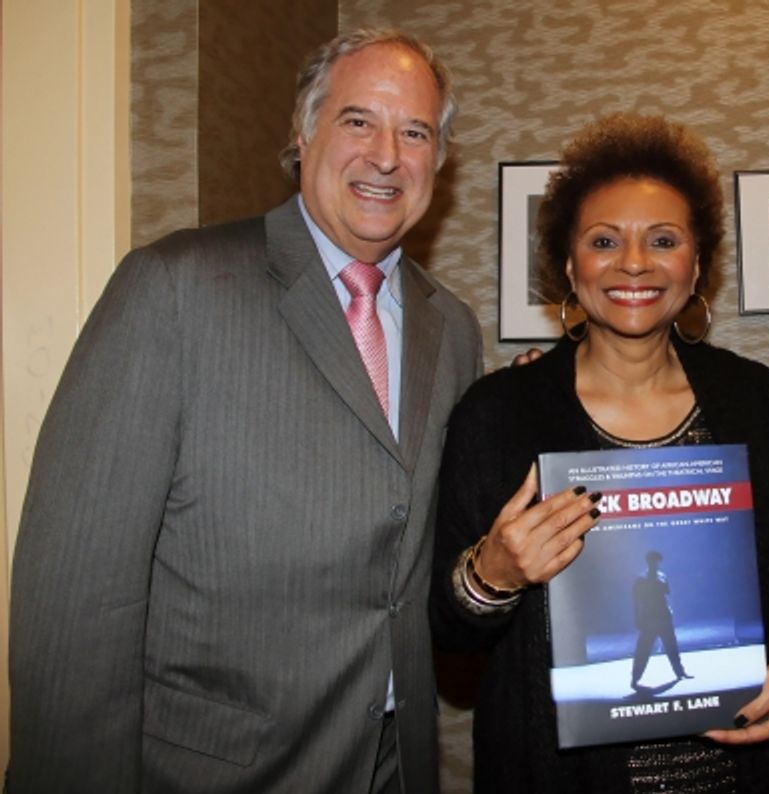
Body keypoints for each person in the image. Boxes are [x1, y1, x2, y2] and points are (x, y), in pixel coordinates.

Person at [8, 28, 481, 793]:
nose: (387, 154)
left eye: (416, 131)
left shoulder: (452, 328)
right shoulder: (173, 289)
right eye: (358, 120)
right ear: (303, 132)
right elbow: (75, 608)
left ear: (439, 158)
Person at [430, 113, 769, 793]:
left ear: (697, 263)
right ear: (571, 265)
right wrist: (493, 575)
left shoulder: (759, 403)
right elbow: (447, 635)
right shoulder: (499, 415)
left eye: (663, 240)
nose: (634, 263)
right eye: (605, 241)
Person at [631, 550, 691, 689]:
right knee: (643, 649)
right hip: (649, 617)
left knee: (671, 646)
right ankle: (635, 677)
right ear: (648, 562)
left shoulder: (662, 576)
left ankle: (680, 672)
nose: (656, 564)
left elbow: (667, 595)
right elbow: (636, 601)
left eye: (657, 561)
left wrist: (671, 611)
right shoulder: (641, 579)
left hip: (663, 615)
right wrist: (637, 618)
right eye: (653, 561)